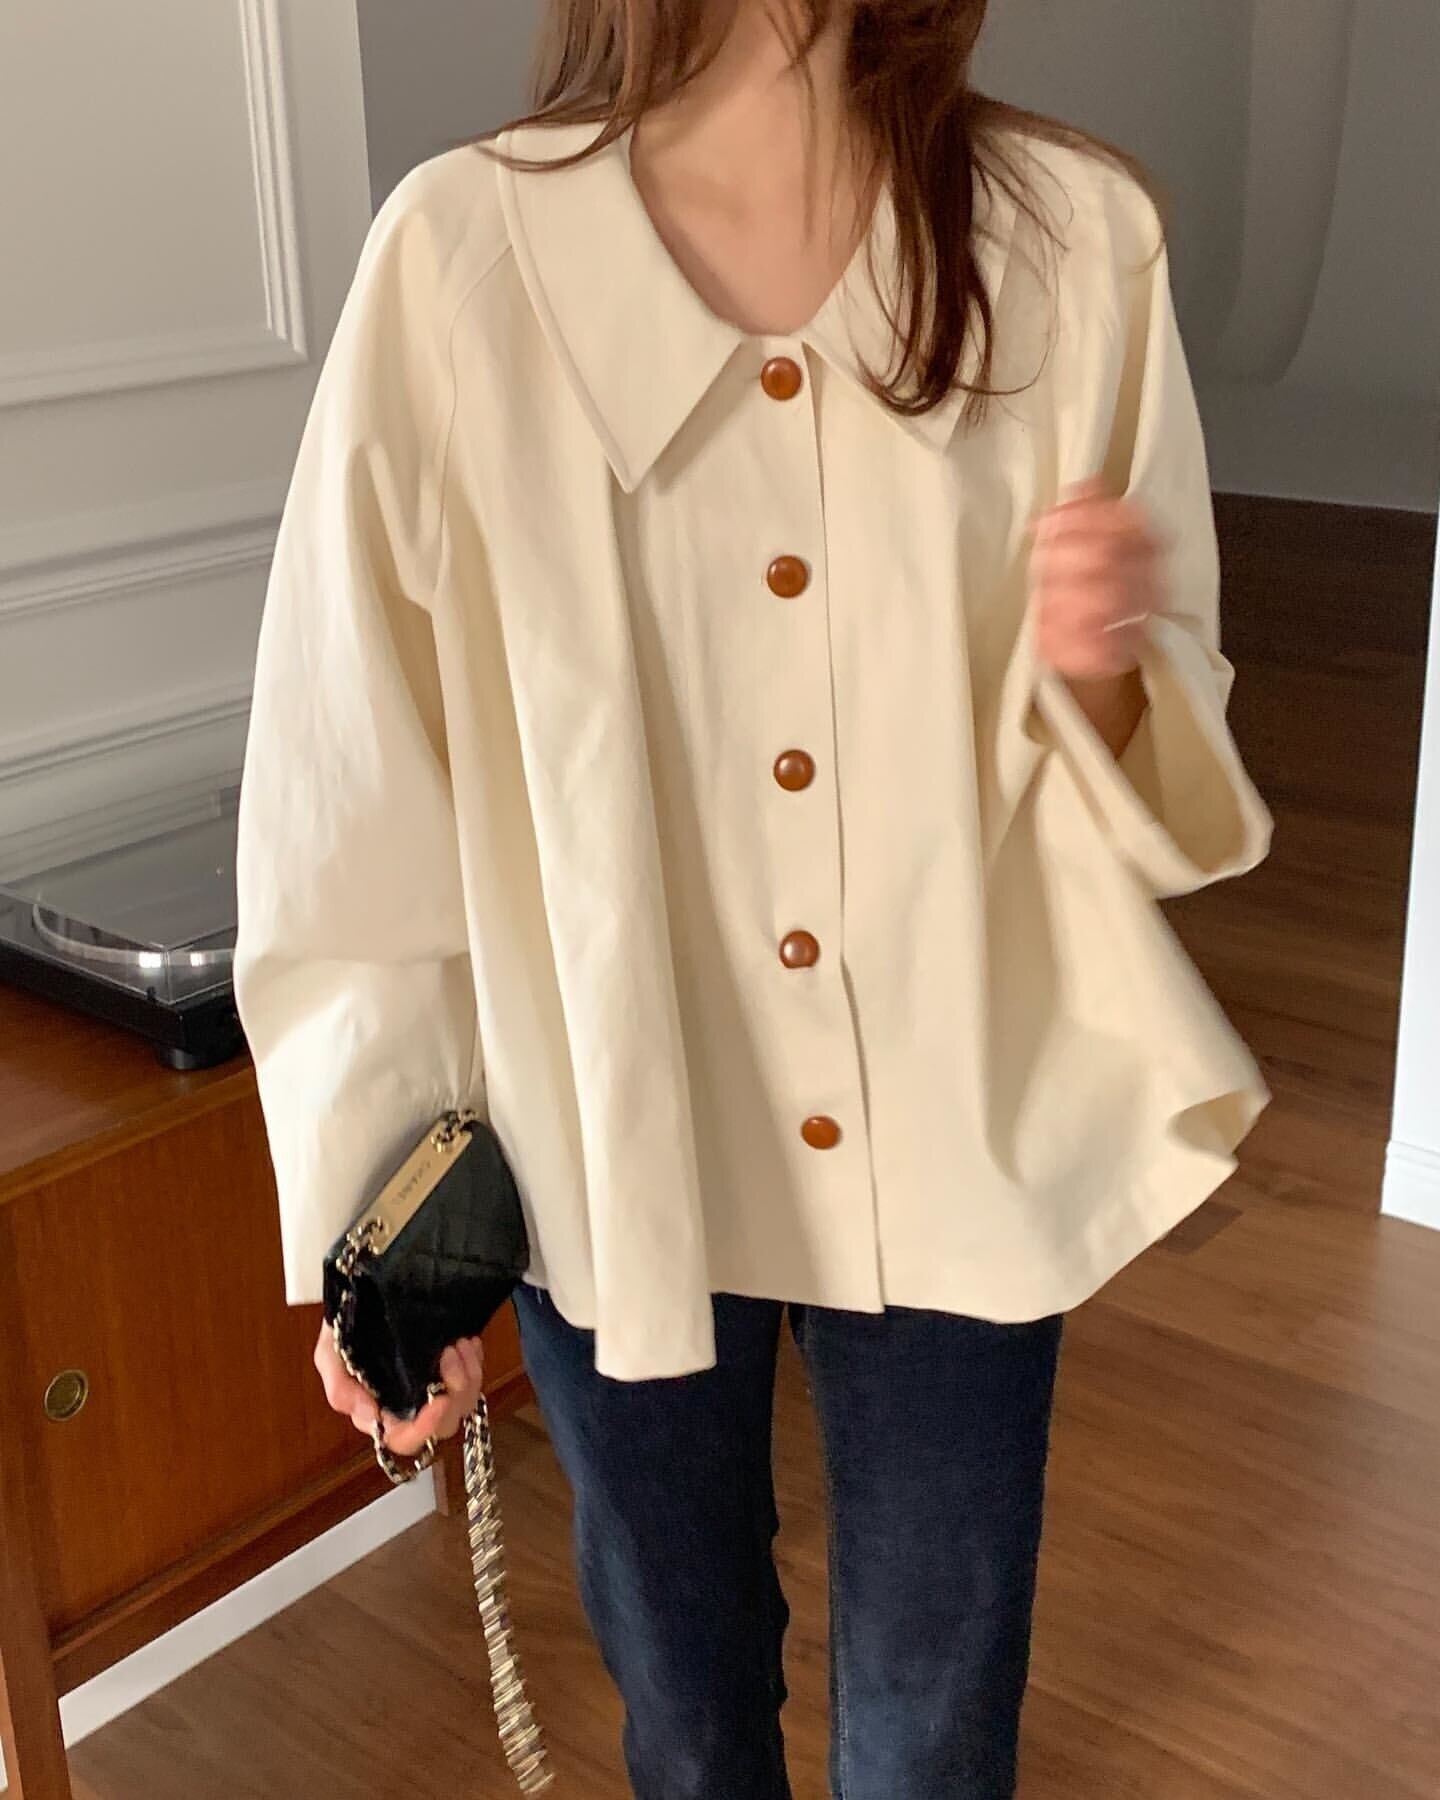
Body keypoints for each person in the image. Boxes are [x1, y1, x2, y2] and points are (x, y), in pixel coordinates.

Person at [232, 1, 1273, 1794]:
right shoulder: (462, 263)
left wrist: (1104, 665)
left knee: (937, 1717)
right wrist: (381, 1231)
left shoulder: (1071, 245)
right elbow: (354, 776)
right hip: (608, 1141)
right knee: (686, 1699)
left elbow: (1153, 725)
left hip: (960, 1119)